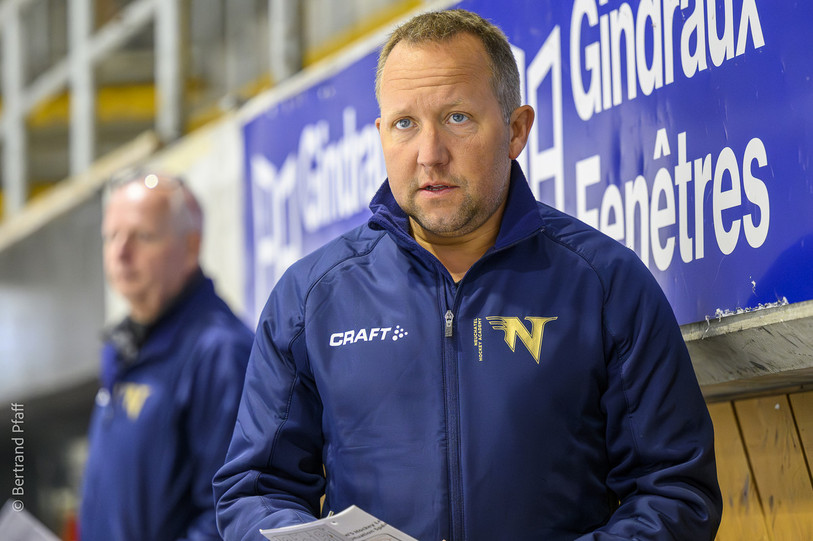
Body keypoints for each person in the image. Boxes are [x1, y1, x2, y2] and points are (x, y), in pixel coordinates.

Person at [214, 8, 722, 540]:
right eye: (404, 124)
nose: (429, 154)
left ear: (516, 129)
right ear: (381, 133)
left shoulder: (604, 284)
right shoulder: (310, 297)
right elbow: (254, 491)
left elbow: (676, 491)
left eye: (457, 117)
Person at [80, 172, 253, 540]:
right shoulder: (126, 346)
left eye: (142, 236)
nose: (120, 253)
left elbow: (228, 514)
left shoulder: (219, 353)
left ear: (191, 247)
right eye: (111, 236)